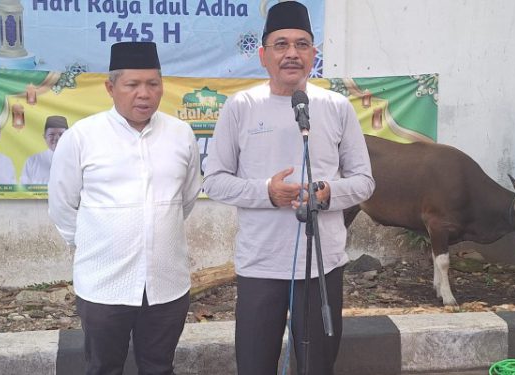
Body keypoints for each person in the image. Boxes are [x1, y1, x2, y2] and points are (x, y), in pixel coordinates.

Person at [202, 2, 375, 374]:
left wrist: (327, 193)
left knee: (317, 365)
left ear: (314, 54)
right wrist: (267, 192)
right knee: (255, 364)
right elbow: (214, 180)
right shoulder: (241, 106)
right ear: (263, 55)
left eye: (302, 44)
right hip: (261, 263)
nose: (292, 53)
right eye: (281, 45)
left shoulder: (336, 106)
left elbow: (364, 181)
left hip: (322, 265)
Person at [47, 42, 202, 375]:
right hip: (104, 284)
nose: (144, 94)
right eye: (132, 85)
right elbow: (62, 203)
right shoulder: (82, 137)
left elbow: (185, 199)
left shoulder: (180, 134)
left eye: (152, 83)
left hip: (166, 283)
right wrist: (92, 244)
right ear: (110, 87)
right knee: (103, 367)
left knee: (159, 367)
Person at [20, 115, 68, 185]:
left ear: (69, 136)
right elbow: (23, 190)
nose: (57, 138)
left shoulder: (77, 160)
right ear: (44, 136)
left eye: (61, 134)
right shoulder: (33, 161)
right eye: (51, 134)